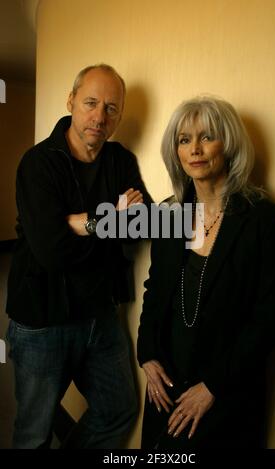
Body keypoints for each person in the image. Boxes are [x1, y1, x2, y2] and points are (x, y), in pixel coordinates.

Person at [6, 63, 152, 449]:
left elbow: (142, 223)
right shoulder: (38, 163)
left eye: (111, 108)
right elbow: (51, 251)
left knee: (118, 411)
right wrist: (110, 218)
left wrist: (77, 222)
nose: (99, 116)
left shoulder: (119, 159)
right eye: (90, 102)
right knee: (33, 433)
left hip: (100, 316)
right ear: (71, 100)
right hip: (42, 320)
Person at [137, 96, 275, 449]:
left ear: (230, 144)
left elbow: (271, 317)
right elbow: (154, 292)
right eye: (184, 139)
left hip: (227, 394)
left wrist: (214, 388)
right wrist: (146, 354)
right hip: (166, 389)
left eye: (207, 137)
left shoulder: (263, 220)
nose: (195, 149)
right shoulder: (168, 214)